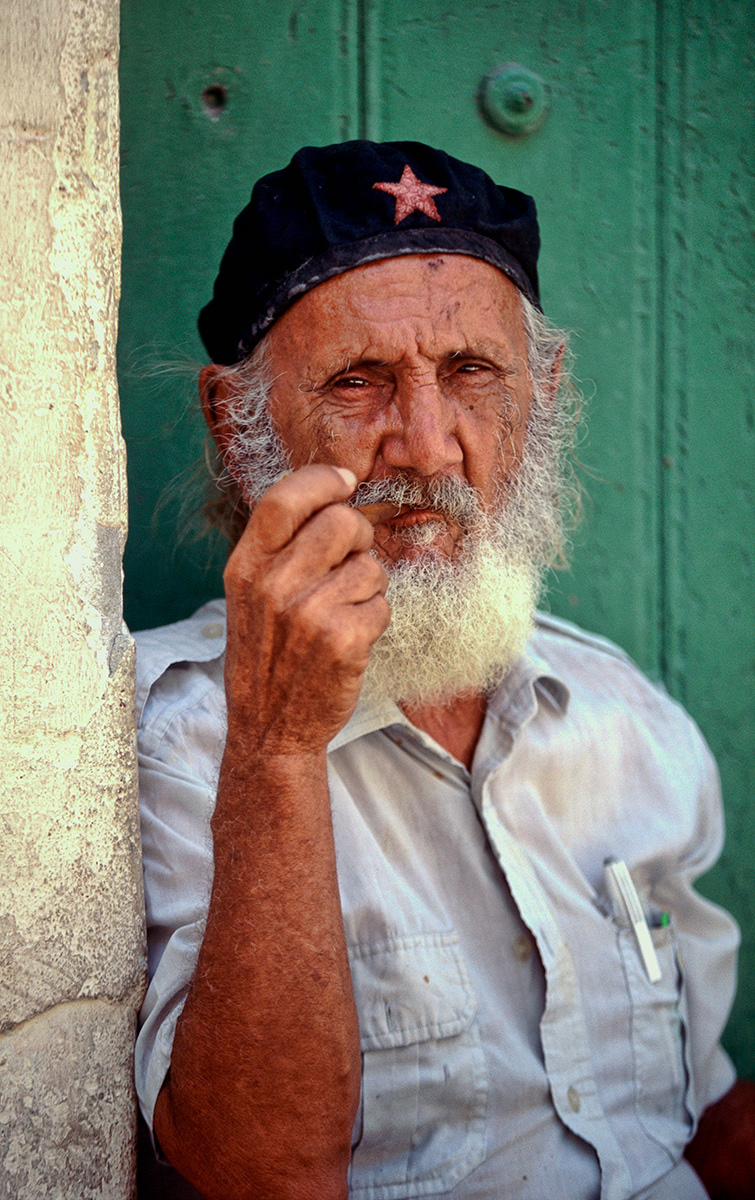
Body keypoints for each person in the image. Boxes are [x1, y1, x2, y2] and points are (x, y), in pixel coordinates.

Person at [133, 141, 754, 1200]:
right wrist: (277, 747)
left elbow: (688, 1123)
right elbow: (257, 1174)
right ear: (238, 434)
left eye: (471, 374)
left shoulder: (625, 723)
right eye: (356, 382)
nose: (425, 446)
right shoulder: (161, 746)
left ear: (541, 395)